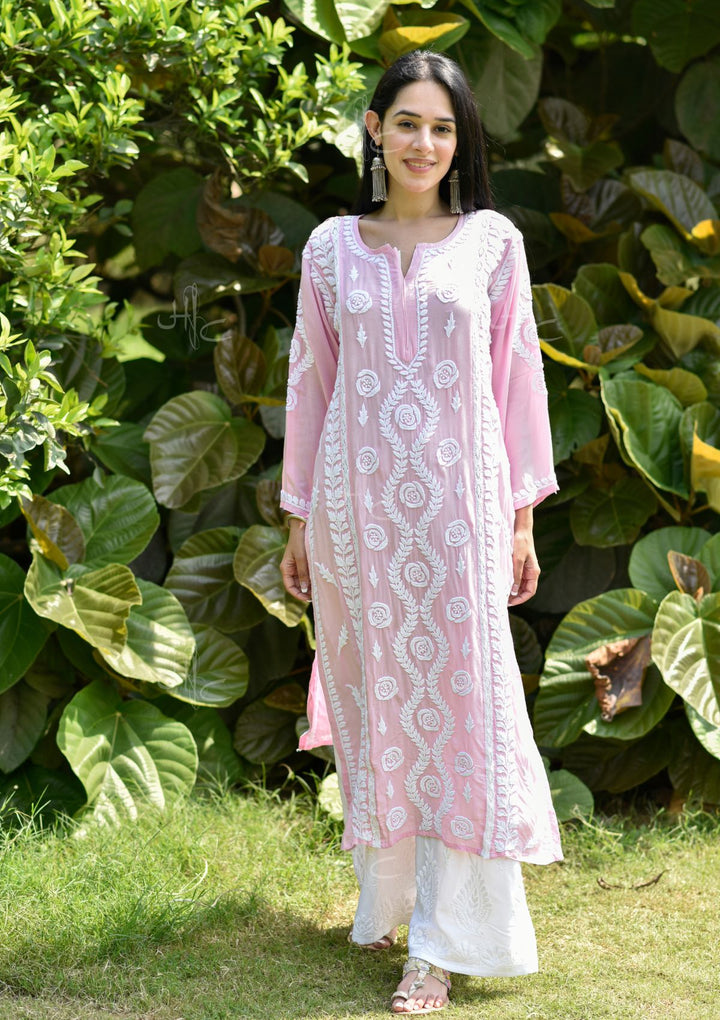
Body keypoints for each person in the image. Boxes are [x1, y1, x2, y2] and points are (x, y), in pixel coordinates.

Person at [279, 49, 563, 1015]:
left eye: (443, 128)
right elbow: (311, 384)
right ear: (374, 128)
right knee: (382, 706)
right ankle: (392, 904)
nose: (424, 143)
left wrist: (521, 520)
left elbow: (518, 381)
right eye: (407, 122)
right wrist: (298, 518)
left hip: (460, 518)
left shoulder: (491, 244)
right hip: (356, 520)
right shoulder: (330, 249)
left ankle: (445, 945)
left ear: (460, 140)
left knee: (462, 707)